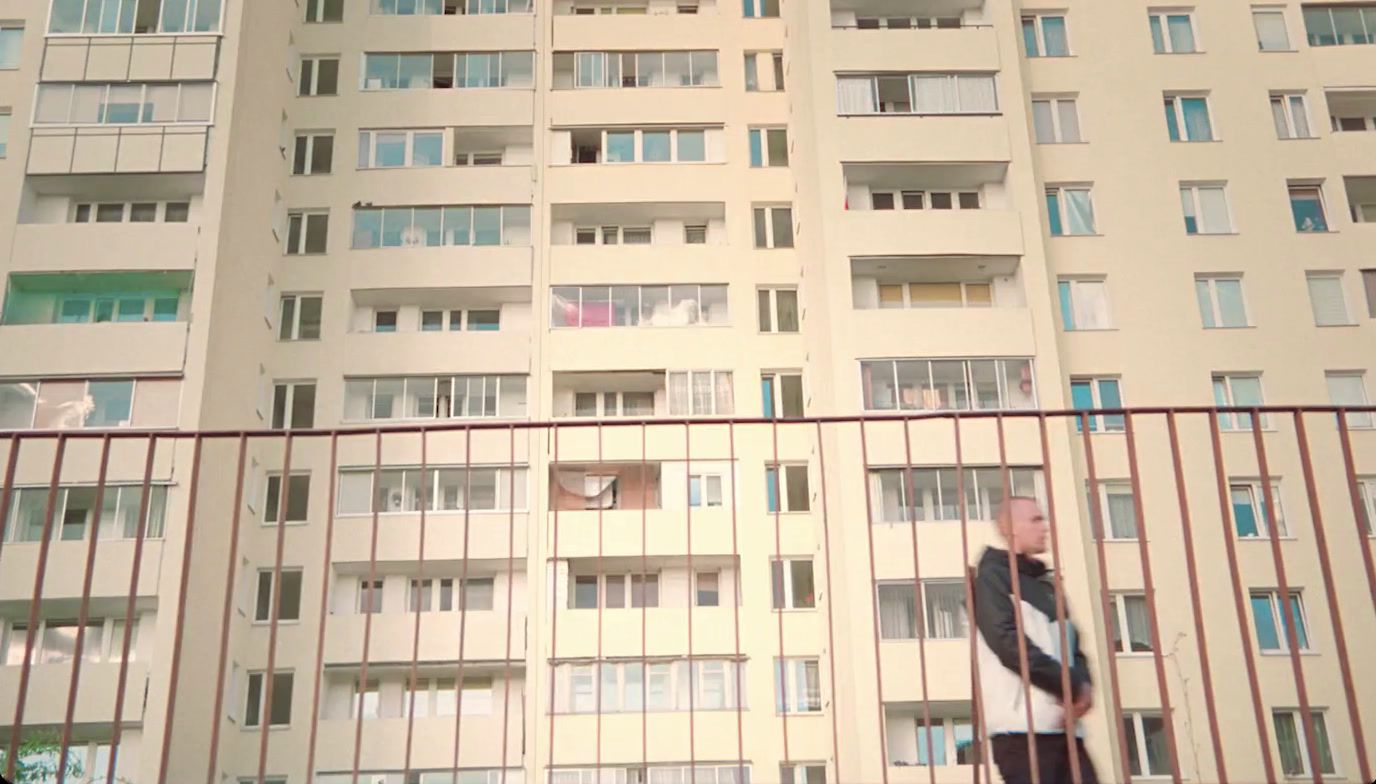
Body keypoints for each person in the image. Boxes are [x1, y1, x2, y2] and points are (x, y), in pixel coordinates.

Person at [975, 495, 1099, 784]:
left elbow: (1074, 649)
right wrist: (1070, 685)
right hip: (1020, 732)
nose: (1044, 527)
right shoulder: (993, 578)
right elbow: (1008, 644)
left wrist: (1084, 685)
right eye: (1035, 519)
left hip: (1065, 730)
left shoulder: (1046, 585)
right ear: (1011, 528)